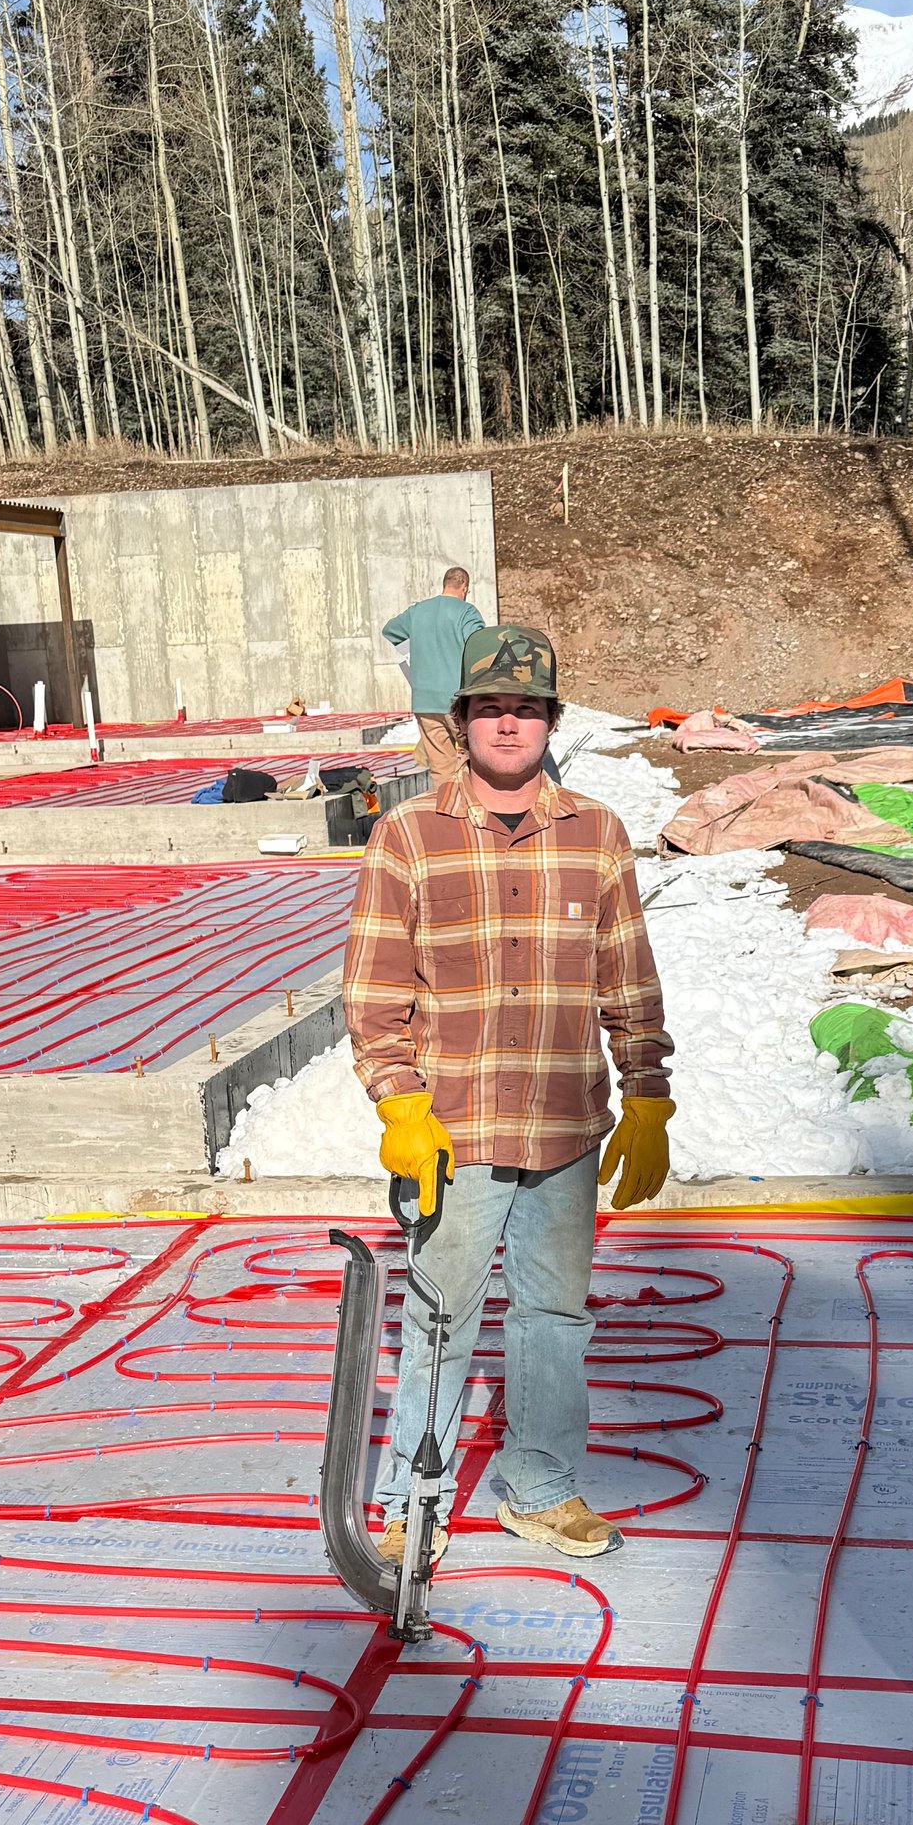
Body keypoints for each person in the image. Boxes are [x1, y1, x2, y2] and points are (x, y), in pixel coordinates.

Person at [343, 621, 673, 1564]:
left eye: (526, 709)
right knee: (443, 1315)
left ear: (550, 722)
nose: (507, 725)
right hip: (457, 1129)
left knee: (555, 1316)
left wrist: (648, 1093)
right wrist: (400, 1103)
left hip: (565, 1127)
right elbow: (374, 990)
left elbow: (627, 975)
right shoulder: (411, 834)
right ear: (463, 721)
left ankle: (540, 1489)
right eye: (491, 708)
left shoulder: (597, 834)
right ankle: (415, 1495)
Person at [382, 566, 489, 782]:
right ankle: (479, 809)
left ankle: (448, 812)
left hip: (424, 702)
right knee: (482, 761)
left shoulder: (418, 611)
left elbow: (390, 630)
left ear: (445, 584)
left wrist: (414, 646)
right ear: (464, 587)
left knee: (441, 770)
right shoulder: (466, 612)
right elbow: (479, 646)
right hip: (458, 702)